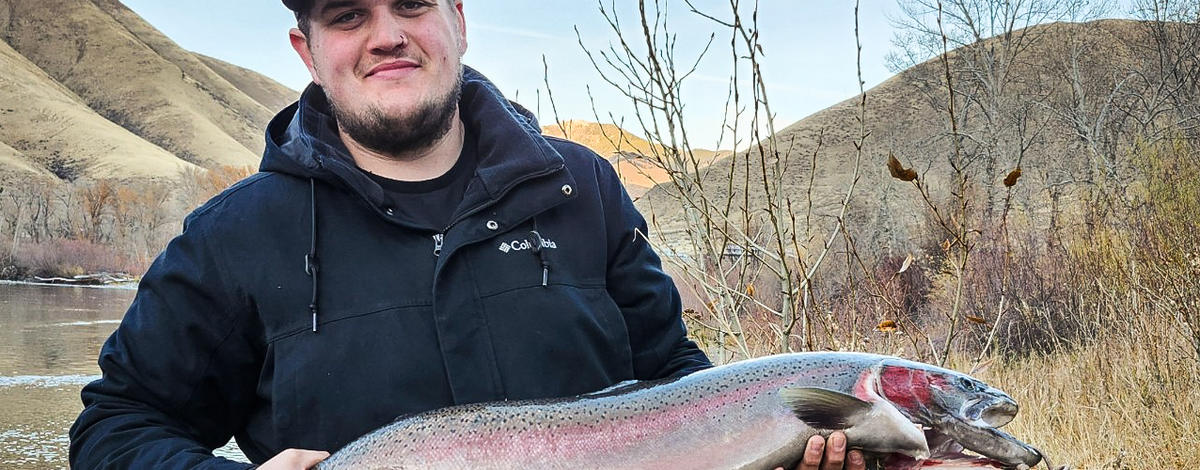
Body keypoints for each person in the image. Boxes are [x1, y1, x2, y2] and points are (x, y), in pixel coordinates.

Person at [68, 1, 865, 469]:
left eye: (412, 2)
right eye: (348, 14)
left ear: (457, 19)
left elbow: (675, 378)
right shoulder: (229, 238)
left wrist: (777, 441)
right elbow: (114, 428)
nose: (386, 34)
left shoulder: (583, 187)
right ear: (307, 51)